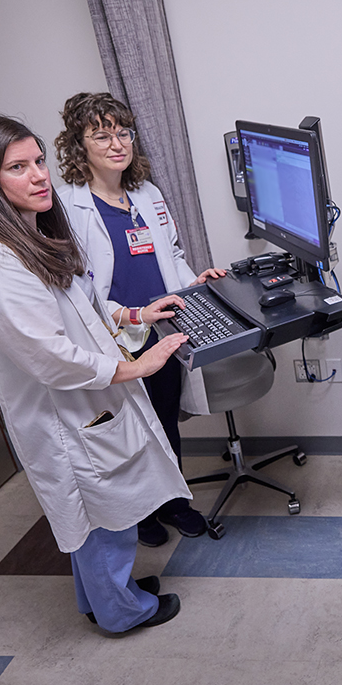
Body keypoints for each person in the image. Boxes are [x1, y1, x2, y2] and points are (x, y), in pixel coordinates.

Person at [0, 114, 193, 632]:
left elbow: (80, 306)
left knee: (98, 515)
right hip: (65, 413)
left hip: (88, 402)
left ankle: (103, 596)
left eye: (38, 160)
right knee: (100, 514)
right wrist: (138, 366)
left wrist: (136, 315)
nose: (39, 175)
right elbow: (51, 356)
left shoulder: (27, 232)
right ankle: (123, 612)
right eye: (18, 167)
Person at [55, 92, 225, 547]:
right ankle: (142, 514)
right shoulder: (69, 208)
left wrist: (195, 284)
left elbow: (171, 255)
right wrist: (132, 313)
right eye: (102, 135)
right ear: (80, 146)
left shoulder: (146, 194)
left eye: (123, 133)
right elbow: (77, 291)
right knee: (129, 430)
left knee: (165, 419)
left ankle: (175, 504)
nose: (117, 144)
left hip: (160, 331)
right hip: (113, 338)